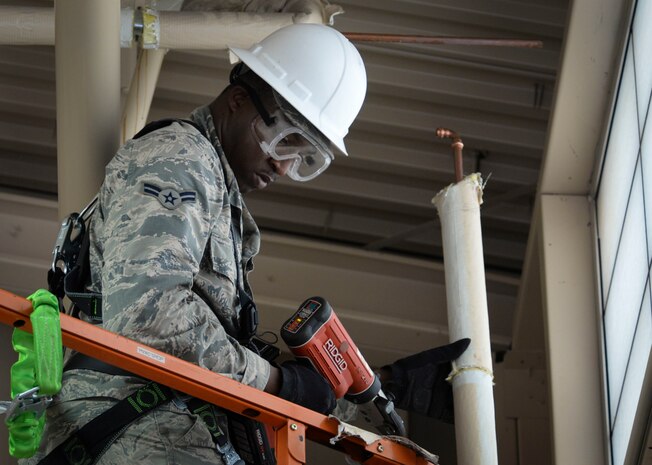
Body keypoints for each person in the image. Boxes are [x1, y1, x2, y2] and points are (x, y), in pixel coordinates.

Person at [22, 23, 469, 465]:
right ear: (238, 100)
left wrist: (368, 385)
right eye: (285, 140)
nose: (283, 164)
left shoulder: (215, 188)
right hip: (130, 432)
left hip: (167, 429)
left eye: (304, 157)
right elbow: (150, 311)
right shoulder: (179, 157)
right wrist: (277, 382)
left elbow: (213, 344)